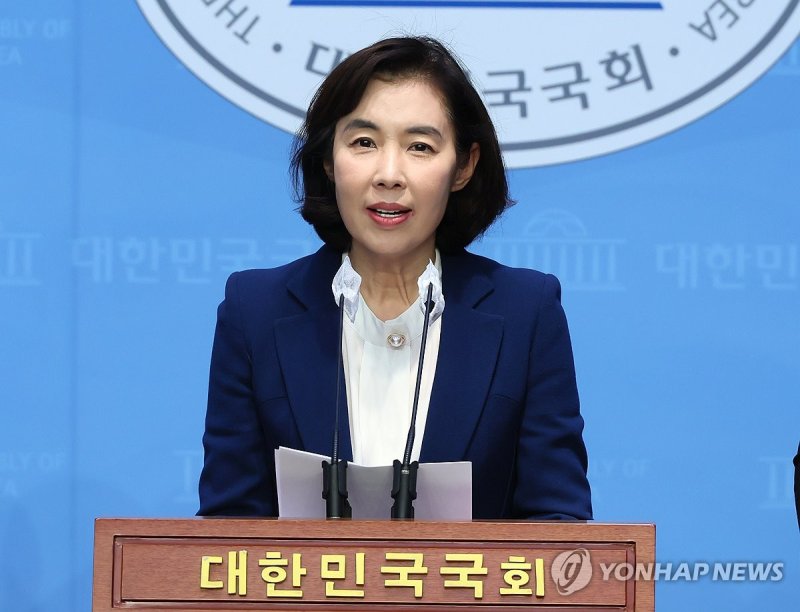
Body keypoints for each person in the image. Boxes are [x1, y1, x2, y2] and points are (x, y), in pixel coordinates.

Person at [198, 36, 592, 520]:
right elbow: (226, 531)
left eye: (419, 146)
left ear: (464, 166)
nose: (389, 174)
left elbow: (559, 523)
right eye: (363, 142)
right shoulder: (255, 311)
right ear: (328, 159)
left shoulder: (526, 312)